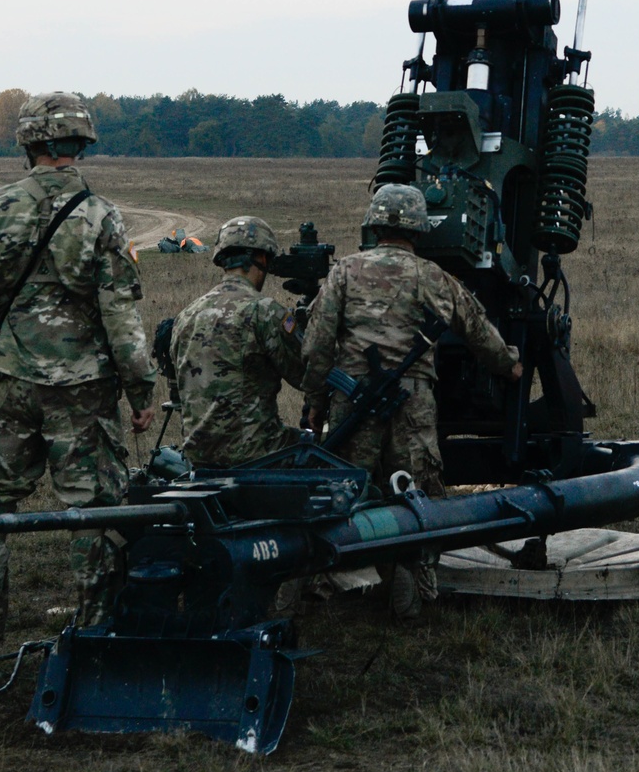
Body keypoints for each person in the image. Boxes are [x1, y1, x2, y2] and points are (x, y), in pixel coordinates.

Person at [0, 92, 156, 699]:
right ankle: (95, 650)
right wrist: (140, 389)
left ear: (28, 145)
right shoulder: (100, 216)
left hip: (7, 382)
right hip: (82, 391)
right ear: (80, 144)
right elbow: (120, 312)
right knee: (93, 516)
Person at [301, 183, 521, 616]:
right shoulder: (436, 277)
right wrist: (510, 364)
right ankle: (410, 598)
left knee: (344, 494)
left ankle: (327, 591)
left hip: (353, 402)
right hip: (413, 405)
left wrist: (315, 401)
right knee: (418, 498)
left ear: (375, 223)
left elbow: (317, 346)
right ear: (419, 229)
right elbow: (478, 330)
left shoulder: (344, 271)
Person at [171, 216, 303, 467]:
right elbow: (307, 376)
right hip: (256, 453)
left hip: (198, 456)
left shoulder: (186, 315)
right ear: (263, 259)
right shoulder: (264, 311)